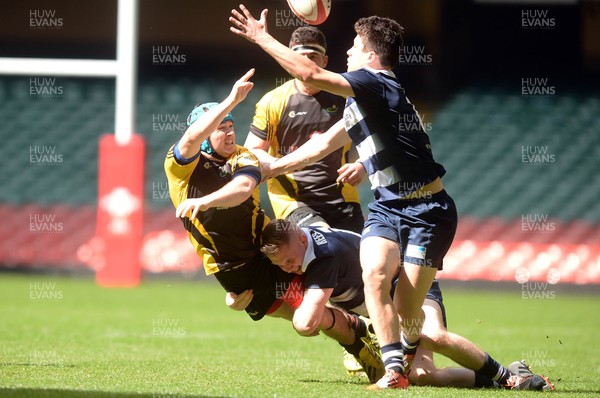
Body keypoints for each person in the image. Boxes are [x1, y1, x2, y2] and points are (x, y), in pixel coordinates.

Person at [229, 6, 455, 389]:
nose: (348, 51)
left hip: (423, 210)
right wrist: (272, 169)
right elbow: (321, 148)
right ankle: (392, 368)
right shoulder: (359, 97)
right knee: (371, 274)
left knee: (413, 324)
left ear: (370, 55)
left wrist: (260, 37)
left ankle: (499, 373)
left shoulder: (375, 82)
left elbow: (310, 73)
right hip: (380, 207)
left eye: (353, 45)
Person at [164, 69, 384, 383]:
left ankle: (366, 350)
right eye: (219, 128)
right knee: (299, 316)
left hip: (267, 248)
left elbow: (241, 190)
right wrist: (230, 101)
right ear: (203, 137)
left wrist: (206, 201)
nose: (229, 133)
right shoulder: (180, 167)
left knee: (313, 307)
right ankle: (359, 328)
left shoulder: (244, 157)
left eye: (231, 126)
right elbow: (189, 139)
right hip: (228, 267)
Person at [228, 219, 554, 391]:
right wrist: (238, 292)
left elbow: (306, 324)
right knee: (423, 375)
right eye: (281, 265)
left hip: (411, 289)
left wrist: (278, 299)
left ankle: (511, 378)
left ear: (302, 240)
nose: (288, 269)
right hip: (387, 310)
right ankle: (504, 377)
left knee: (433, 336)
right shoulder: (298, 244)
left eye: (289, 261)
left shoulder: (322, 258)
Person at [245, 26, 366, 234]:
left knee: (357, 260)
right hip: (294, 201)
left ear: (325, 61)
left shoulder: (345, 97)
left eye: (313, 56)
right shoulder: (272, 101)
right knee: (322, 242)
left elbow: (372, 135)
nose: (307, 63)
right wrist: (279, 165)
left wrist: (363, 164)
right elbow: (252, 150)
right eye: (301, 57)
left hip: (342, 196)